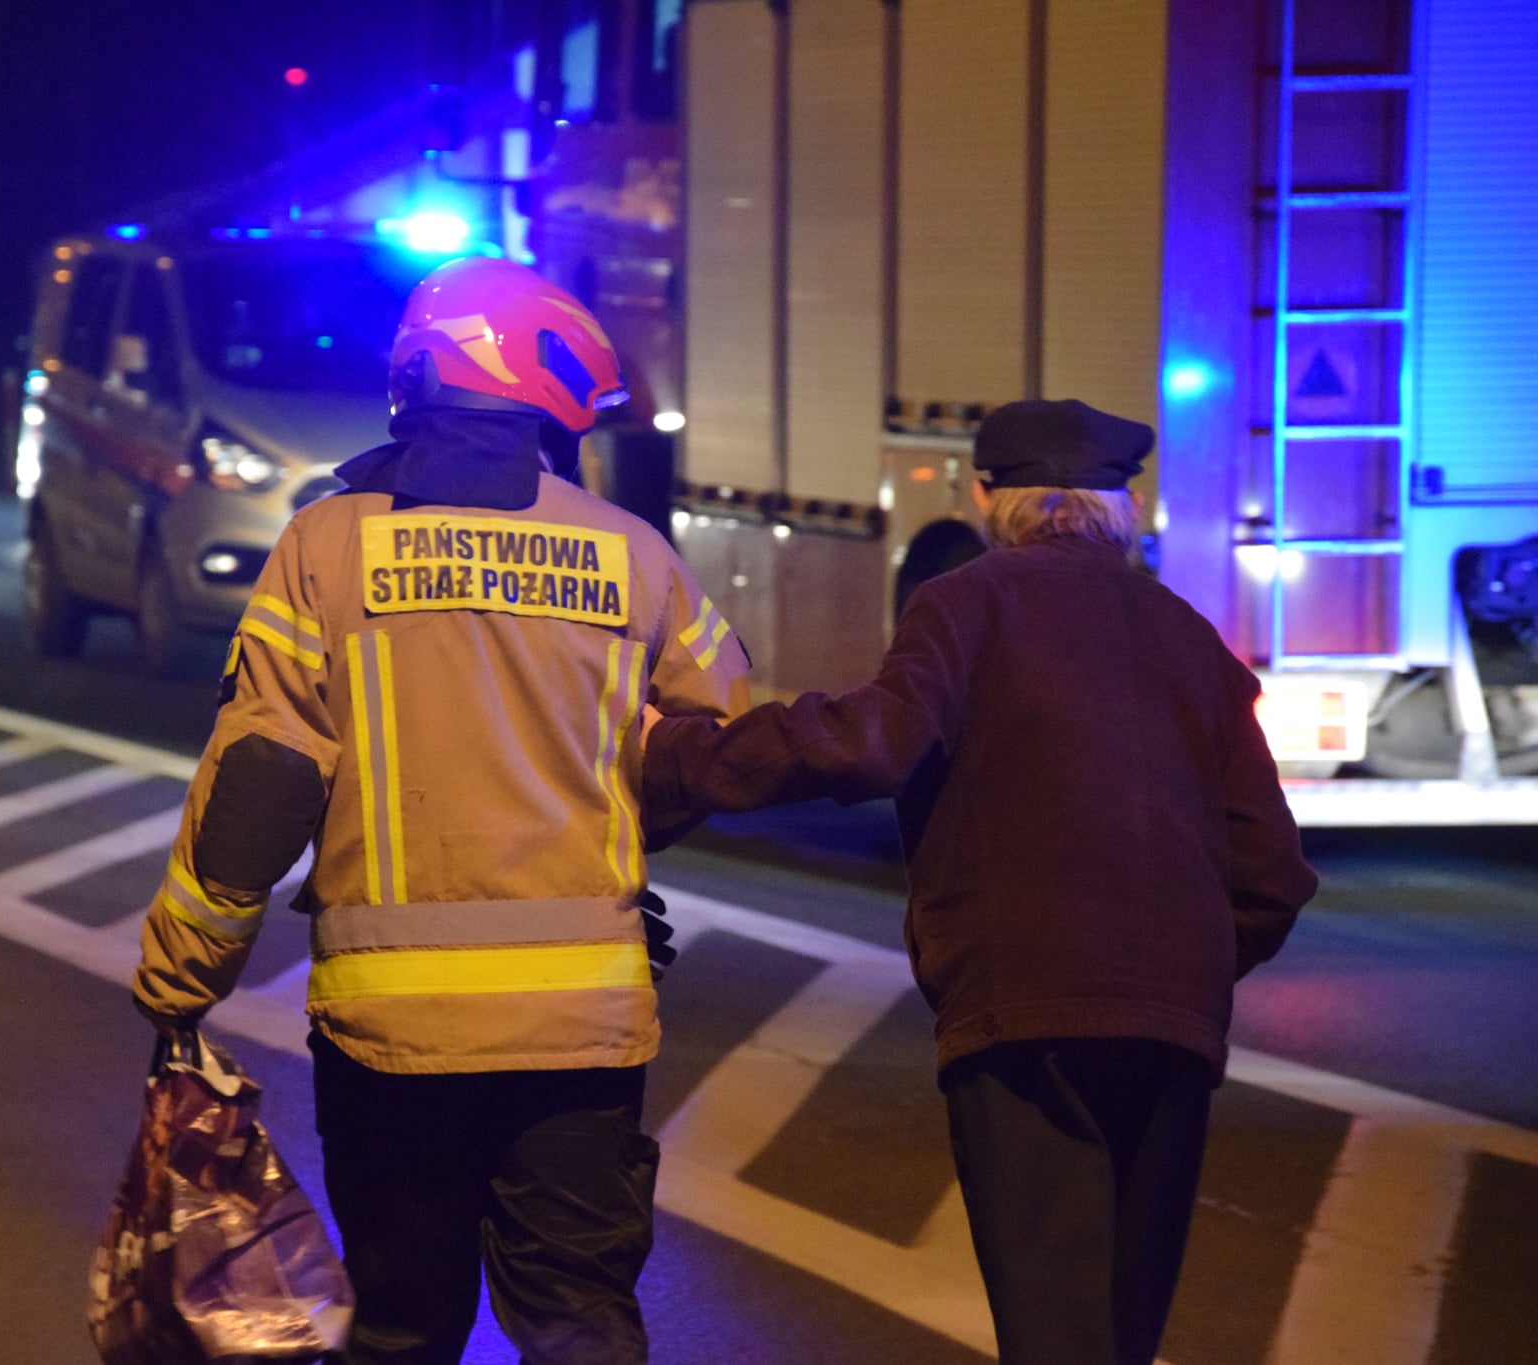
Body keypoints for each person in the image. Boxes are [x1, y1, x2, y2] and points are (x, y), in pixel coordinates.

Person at [131, 255, 751, 1365]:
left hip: (394, 1039)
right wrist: (614, 845)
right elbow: (716, 747)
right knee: (578, 1324)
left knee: (406, 1327)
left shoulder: (329, 546)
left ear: (419, 374)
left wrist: (182, 979)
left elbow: (264, 781)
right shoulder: (634, 556)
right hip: (584, 1028)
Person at [641, 398, 1318, 1365]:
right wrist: (1186, 966)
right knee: (1123, 1328)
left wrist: (682, 761)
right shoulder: (1189, 636)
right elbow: (1272, 869)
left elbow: (873, 743)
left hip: (1026, 1011)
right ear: (1124, 505)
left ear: (984, 494)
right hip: (1174, 1023)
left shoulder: (966, 602)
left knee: (1051, 1325)